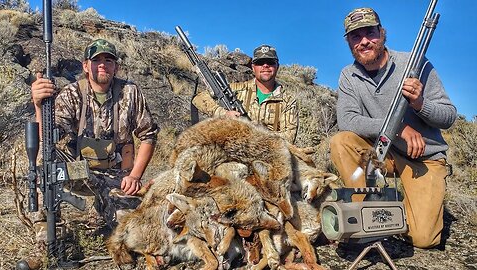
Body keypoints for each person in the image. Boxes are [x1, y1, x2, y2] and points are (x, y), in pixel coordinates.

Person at [19, 38, 159, 269]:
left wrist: (134, 176)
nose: (102, 65)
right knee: (46, 175)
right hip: (78, 170)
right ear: (86, 66)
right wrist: (38, 104)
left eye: (108, 60)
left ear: (116, 67)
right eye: (96, 60)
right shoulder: (72, 94)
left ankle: (104, 208)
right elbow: (48, 137)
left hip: (116, 174)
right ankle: (46, 249)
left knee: (132, 227)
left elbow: (148, 135)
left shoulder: (131, 93)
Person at [330, 7, 457, 249]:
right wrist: (397, 128)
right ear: (348, 42)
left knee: (423, 239)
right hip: (384, 154)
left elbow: (448, 116)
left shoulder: (416, 63)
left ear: (382, 32)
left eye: (370, 33)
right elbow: (348, 120)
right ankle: (365, 213)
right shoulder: (348, 75)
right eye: (356, 36)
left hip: (424, 160)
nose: (364, 41)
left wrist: (420, 104)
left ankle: (402, 209)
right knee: (342, 141)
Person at [192, 44, 299, 143]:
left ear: (277, 66)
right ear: (253, 67)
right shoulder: (237, 89)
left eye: (270, 62)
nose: (265, 66)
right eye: (260, 63)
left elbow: (289, 137)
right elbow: (199, 98)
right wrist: (223, 113)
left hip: (266, 154)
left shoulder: (288, 101)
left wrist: (257, 134)